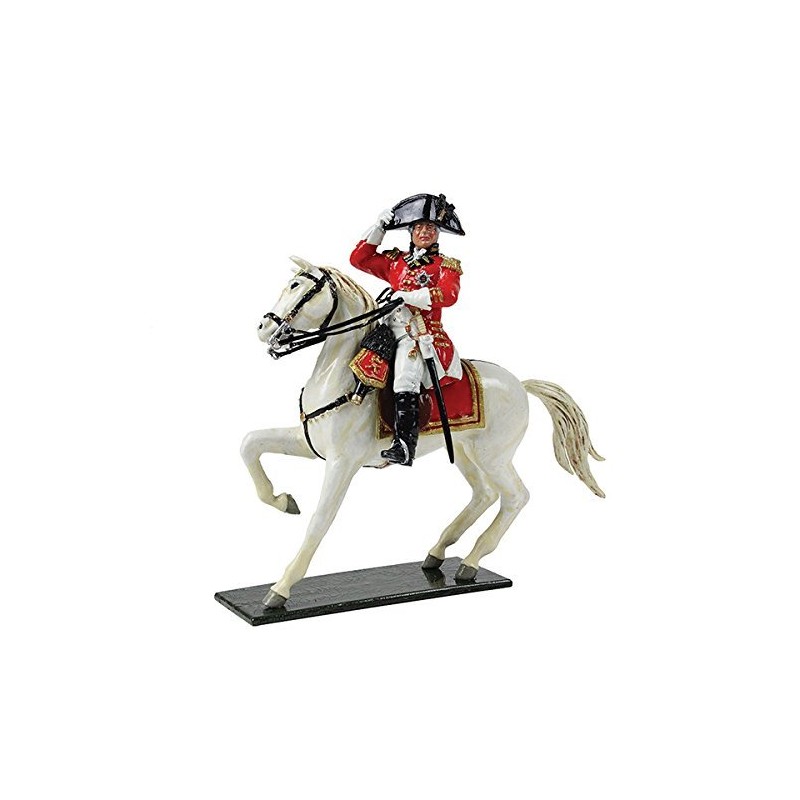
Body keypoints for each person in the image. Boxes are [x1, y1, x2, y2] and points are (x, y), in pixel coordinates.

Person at [350, 193, 465, 466]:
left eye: (431, 228)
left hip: (419, 333)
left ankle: (404, 445)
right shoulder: (395, 262)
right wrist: (378, 228)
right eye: (419, 227)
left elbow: (448, 294)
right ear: (411, 231)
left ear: (437, 234)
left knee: (405, 377)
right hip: (388, 329)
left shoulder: (445, 265)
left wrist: (408, 296)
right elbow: (359, 259)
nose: (425, 232)